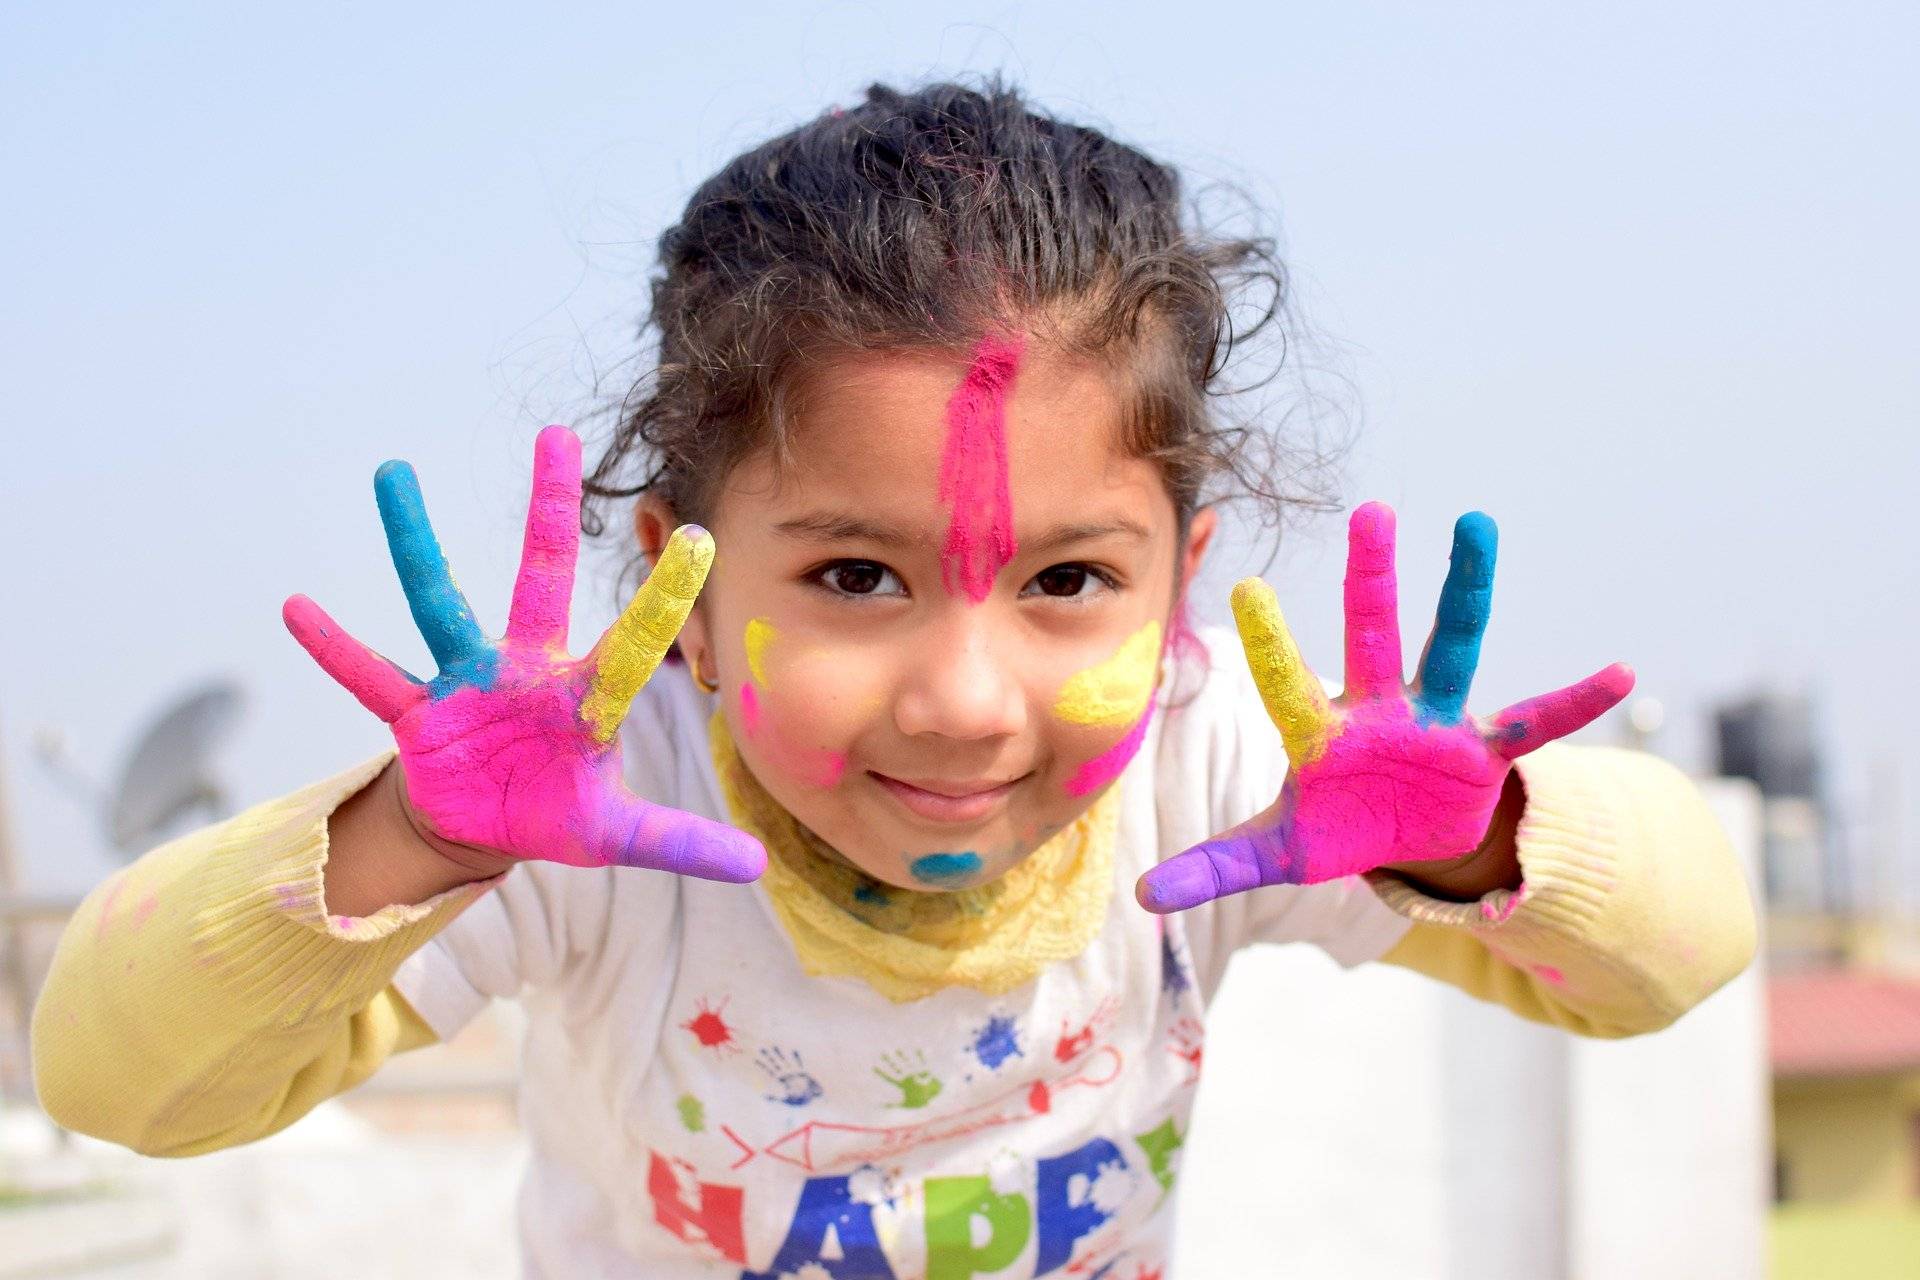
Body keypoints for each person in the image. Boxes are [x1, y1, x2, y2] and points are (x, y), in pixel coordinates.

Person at [30, 79, 1755, 1279]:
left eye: (1071, 581)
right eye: (855, 576)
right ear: (681, 590)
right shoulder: (601, 810)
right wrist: (412, 836)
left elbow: (1681, 954)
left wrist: (1472, 846)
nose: (965, 698)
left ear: (1184, 586)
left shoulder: (1222, 767)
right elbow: (118, 1084)